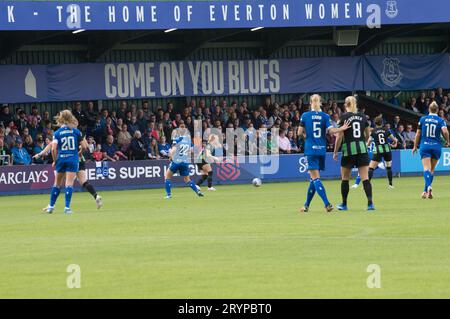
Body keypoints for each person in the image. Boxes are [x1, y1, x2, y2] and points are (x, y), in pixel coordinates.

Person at [298, 94, 350, 213]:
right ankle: (306, 205)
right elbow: (331, 131)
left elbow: (299, 132)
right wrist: (341, 129)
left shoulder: (305, 115)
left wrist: (306, 137)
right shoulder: (325, 116)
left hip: (310, 149)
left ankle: (327, 204)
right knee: (313, 178)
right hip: (321, 150)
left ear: (310, 102)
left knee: (315, 178)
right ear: (320, 103)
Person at [333, 96, 375, 211]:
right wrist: (363, 142)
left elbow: (340, 136)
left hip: (348, 150)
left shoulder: (344, 117)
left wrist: (335, 152)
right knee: (365, 178)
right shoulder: (363, 117)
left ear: (345, 105)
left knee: (345, 178)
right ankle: (370, 204)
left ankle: (344, 204)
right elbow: (367, 135)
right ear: (355, 104)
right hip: (361, 149)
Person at [34, 142, 103, 210]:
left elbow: (50, 147)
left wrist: (40, 155)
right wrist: (80, 152)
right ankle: (96, 196)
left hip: (69, 160)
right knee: (84, 182)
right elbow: (85, 146)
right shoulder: (76, 134)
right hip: (80, 160)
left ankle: (52, 205)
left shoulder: (59, 136)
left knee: (58, 183)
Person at [45, 110, 87, 214]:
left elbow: (54, 149)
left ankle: (51, 206)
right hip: (72, 159)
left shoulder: (57, 133)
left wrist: (55, 160)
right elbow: (85, 146)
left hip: (61, 159)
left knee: (57, 184)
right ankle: (67, 208)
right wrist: (80, 153)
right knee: (69, 184)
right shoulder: (76, 131)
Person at [412, 102, 450, 199]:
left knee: (426, 169)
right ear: (437, 110)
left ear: (429, 109)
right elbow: (445, 131)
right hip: (436, 146)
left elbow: (418, 134)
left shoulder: (423, 119)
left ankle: (428, 187)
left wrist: (415, 146)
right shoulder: (440, 120)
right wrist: (448, 141)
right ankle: (425, 191)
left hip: (425, 146)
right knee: (432, 170)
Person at [164, 124, 203, 199]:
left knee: (167, 177)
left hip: (176, 161)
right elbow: (193, 150)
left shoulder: (177, 139)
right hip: (185, 162)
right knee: (187, 180)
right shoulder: (188, 140)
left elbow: (173, 149)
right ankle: (197, 191)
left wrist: (170, 156)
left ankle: (168, 195)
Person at [368, 115, 398, 188]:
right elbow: (394, 140)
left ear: (375, 123)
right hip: (387, 150)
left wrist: (366, 145)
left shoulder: (373, 131)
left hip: (378, 150)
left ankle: (367, 184)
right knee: (388, 167)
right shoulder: (386, 130)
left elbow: (369, 142)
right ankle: (390, 185)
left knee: (371, 168)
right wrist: (394, 143)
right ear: (382, 123)